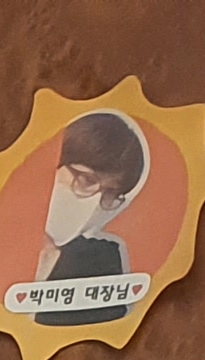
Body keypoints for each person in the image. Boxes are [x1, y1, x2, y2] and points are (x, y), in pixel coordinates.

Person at [43, 110, 148, 282]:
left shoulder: (101, 261)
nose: (94, 202)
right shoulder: (2, 232)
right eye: (87, 180)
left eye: (109, 194)